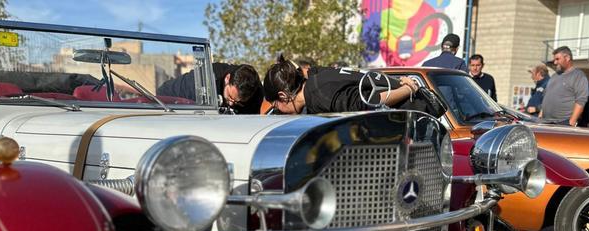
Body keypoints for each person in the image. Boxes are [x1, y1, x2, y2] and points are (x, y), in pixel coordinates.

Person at [262, 55, 419, 114]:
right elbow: (305, 70)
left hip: (412, 109)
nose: (279, 111)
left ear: (283, 95)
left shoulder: (320, 96)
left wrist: (407, 89)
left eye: (276, 106)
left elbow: (370, 100)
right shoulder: (316, 77)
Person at [157, 62, 262, 114]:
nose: (231, 103)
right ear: (227, 78)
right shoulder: (205, 78)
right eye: (230, 97)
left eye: (238, 102)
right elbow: (164, 93)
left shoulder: (257, 95)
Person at [540, 46, 589, 126]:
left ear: (567, 58)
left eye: (557, 59)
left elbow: (581, 100)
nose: (555, 63)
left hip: (563, 123)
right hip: (546, 122)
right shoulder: (554, 76)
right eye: (554, 60)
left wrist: (572, 121)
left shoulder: (578, 76)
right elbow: (546, 97)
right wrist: (540, 115)